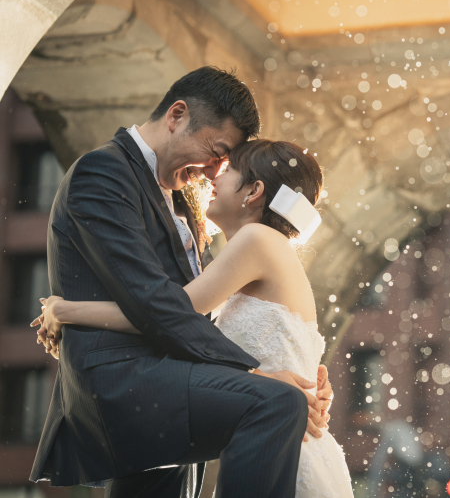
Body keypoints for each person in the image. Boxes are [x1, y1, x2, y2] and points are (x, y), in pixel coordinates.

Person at [29, 66, 332, 498]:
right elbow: (155, 303)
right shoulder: (102, 172)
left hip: (172, 380)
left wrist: (303, 375)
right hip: (127, 381)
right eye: (215, 150)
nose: (213, 172)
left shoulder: (183, 202)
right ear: (176, 115)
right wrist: (259, 376)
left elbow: (189, 309)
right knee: (274, 403)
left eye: (224, 164)